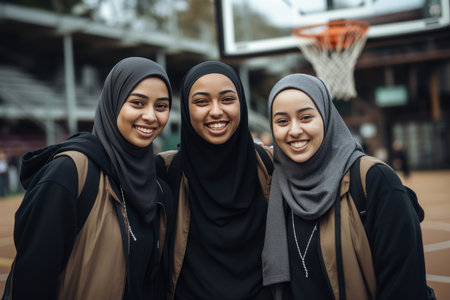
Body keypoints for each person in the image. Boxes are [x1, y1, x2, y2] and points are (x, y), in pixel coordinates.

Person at [2, 57, 174, 300]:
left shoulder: (157, 187)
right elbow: (31, 283)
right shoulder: (70, 172)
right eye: (137, 102)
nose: (150, 116)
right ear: (113, 102)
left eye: (161, 106)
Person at [262, 74, 428, 299]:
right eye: (282, 121)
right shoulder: (275, 185)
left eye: (306, 117)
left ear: (327, 118)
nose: (294, 130)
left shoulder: (375, 180)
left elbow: (405, 287)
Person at [157, 61, 273, 299]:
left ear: (242, 103)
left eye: (228, 99)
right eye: (201, 101)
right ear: (187, 110)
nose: (216, 110)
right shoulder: (165, 171)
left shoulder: (270, 165)